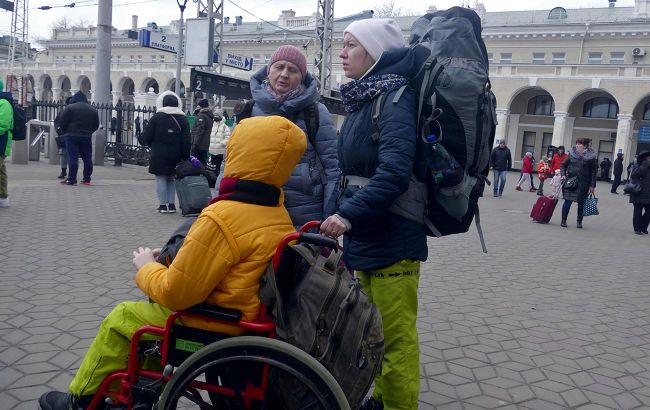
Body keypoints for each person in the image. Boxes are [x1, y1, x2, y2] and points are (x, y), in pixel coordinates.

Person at [37, 115, 307, 410]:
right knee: (150, 314)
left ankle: (84, 400)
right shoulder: (277, 213)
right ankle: (139, 393)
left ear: (240, 154)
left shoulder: (224, 216)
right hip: (248, 318)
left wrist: (146, 267)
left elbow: (176, 293)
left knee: (124, 317)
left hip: (217, 323)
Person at [320, 18, 427, 410]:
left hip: (393, 239)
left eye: (351, 45)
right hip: (367, 235)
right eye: (342, 45)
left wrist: (347, 216)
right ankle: (381, 398)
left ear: (376, 52)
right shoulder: (366, 99)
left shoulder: (395, 99)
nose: (343, 53)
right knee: (372, 332)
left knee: (396, 339)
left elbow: (395, 172)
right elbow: (353, 174)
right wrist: (339, 214)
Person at [244, 44, 339, 228]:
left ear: (302, 77)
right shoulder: (248, 110)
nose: (284, 74)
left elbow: (333, 169)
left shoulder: (316, 113)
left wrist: (328, 215)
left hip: (305, 213)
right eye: (279, 67)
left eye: (292, 70)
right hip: (255, 207)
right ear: (268, 71)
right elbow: (230, 163)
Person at [140, 91, 191, 214]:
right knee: (171, 178)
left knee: (160, 177)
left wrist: (146, 142)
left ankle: (162, 205)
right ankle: (172, 205)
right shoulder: (183, 118)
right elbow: (187, 140)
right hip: (176, 154)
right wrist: (185, 156)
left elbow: (147, 136)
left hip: (159, 154)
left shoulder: (157, 117)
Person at [57, 91, 100, 186]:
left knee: (73, 157)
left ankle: (72, 179)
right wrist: (89, 132)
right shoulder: (92, 109)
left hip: (71, 136)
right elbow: (96, 125)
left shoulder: (70, 108)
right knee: (87, 158)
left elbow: (62, 122)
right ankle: (87, 179)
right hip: (86, 137)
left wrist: (66, 131)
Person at [560, 138, 597, 229]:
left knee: (581, 203)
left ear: (585, 146)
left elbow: (593, 172)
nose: (577, 145)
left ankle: (579, 221)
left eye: (579, 144)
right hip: (571, 182)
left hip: (584, 183)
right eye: (576, 144)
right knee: (567, 201)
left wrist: (592, 185)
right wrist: (563, 175)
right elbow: (563, 165)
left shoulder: (591, 157)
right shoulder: (571, 154)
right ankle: (563, 220)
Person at [629, 150, 650, 235]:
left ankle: (643, 227)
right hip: (638, 192)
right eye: (649, 158)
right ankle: (637, 228)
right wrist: (644, 165)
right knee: (637, 212)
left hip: (648, 194)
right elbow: (633, 175)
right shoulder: (637, 166)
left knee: (648, 212)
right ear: (644, 159)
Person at [0, 79, 14, 208]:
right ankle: (2, 196)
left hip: (1, 141)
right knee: (1, 171)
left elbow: (3, 124)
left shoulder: (3, 103)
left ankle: (3, 197)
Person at [53, 97, 73, 180]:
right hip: (65, 135)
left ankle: (67, 171)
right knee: (64, 154)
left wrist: (59, 129)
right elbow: (57, 122)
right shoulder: (62, 112)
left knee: (66, 154)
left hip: (69, 135)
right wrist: (59, 129)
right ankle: (64, 171)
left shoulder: (64, 111)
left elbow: (57, 122)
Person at [190, 98, 215, 165]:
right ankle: (202, 174)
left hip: (198, 144)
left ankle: (195, 174)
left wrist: (195, 143)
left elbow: (199, 130)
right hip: (205, 143)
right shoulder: (210, 115)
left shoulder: (201, 115)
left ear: (201, 106)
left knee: (194, 162)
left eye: (198, 106)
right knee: (203, 161)